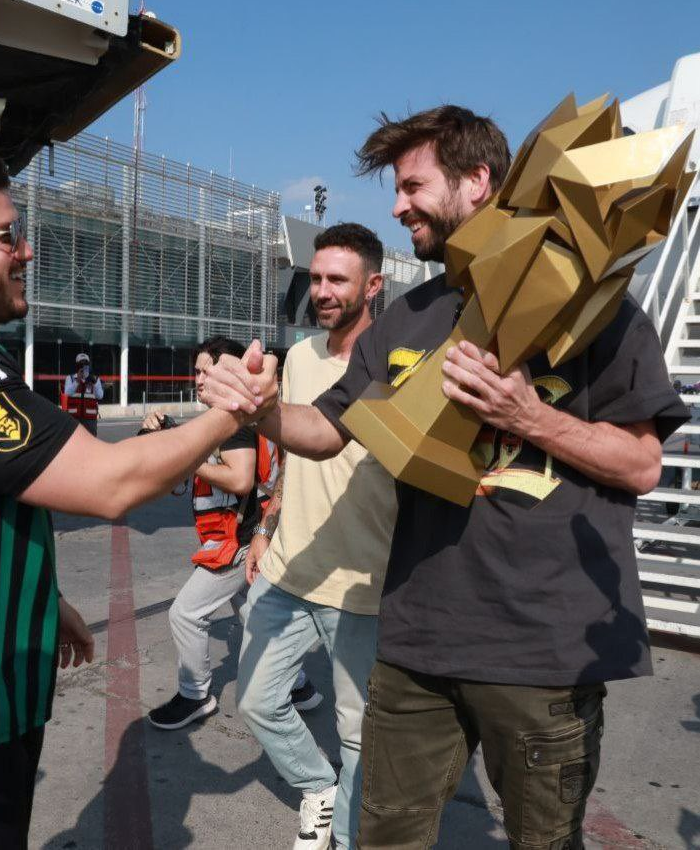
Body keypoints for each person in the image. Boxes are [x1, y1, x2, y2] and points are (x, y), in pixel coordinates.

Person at [202, 106, 689, 849]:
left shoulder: (604, 314)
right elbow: (329, 430)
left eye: (411, 186)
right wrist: (265, 410)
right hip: (415, 643)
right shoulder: (408, 317)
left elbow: (642, 463)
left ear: (477, 182)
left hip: (542, 653)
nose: (396, 207)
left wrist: (527, 415)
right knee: (383, 838)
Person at [0, 141, 276, 849]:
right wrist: (233, 413)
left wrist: (44, 600)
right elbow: (107, 484)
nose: (24, 251)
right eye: (6, 235)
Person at [236, 223, 396, 850]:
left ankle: (347, 838)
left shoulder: (396, 366)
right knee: (254, 700)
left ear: (373, 286)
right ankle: (316, 787)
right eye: (317, 278)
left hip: (362, 581)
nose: (322, 291)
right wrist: (267, 522)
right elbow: (289, 457)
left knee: (357, 732)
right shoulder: (299, 359)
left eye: (337, 279)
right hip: (288, 567)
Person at [141, 336, 262, 730]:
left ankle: (195, 695)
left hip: (236, 543)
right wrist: (161, 441)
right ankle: (296, 685)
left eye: (203, 370)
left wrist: (187, 454)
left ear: (226, 371)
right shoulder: (216, 420)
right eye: (195, 371)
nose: (196, 378)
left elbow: (241, 479)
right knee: (256, 616)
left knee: (186, 613)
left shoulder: (234, 422)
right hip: (234, 539)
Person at [63, 352, 103, 436]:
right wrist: (77, 381)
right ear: (77, 366)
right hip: (74, 418)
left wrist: (94, 383)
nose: (83, 366)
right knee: (74, 441)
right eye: (81, 364)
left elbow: (100, 396)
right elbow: (67, 393)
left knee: (91, 442)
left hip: (90, 419)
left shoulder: (95, 379)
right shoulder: (70, 378)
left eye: (85, 364)